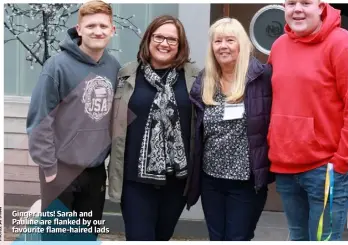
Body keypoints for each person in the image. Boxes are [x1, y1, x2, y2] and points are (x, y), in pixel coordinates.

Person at [267, 0, 348, 241]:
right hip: (286, 168)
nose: (297, 9)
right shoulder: (279, 46)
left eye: (305, 3)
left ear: (321, 6)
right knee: (298, 237)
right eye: (291, 3)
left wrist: (342, 163)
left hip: (327, 170)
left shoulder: (344, 44)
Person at [26, 0, 120, 241]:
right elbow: (39, 119)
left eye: (103, 25)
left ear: (112, 30)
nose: (97, 31)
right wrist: (49, 169)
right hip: (60, 170)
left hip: (95, 171)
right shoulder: (57, 66)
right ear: (79, 30)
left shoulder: (113, 67)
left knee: (86, 237)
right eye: (90, 26)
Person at [107, 15, 200, 241]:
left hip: (176, 181)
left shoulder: (195, 77)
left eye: (172, 39)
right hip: (134, 180)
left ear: (180, 45)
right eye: (159, 37)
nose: (164, 44)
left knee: (162, 237)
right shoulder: (126, 74)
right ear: (148, 39)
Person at [187, 17, 273, 241]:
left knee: (238, 237)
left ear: (241, 45)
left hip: (245, 182)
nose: (223, 46)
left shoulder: (261, 78)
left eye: (230, 40)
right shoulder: (205, 80)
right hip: (211, 179)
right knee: (216, 237)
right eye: (218, 41)